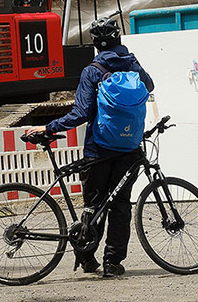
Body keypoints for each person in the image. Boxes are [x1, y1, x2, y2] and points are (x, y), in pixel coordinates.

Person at [24, 20, 153, 278]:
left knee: (93, 204)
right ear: (118, 38)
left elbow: (81, 113)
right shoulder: (132, 64)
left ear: (95, 43)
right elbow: (149, 86)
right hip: (129, 146)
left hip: (98, 147)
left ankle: (86, 257)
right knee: (120, 205)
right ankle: (113, 261)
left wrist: (49, 127)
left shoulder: (92, 71)